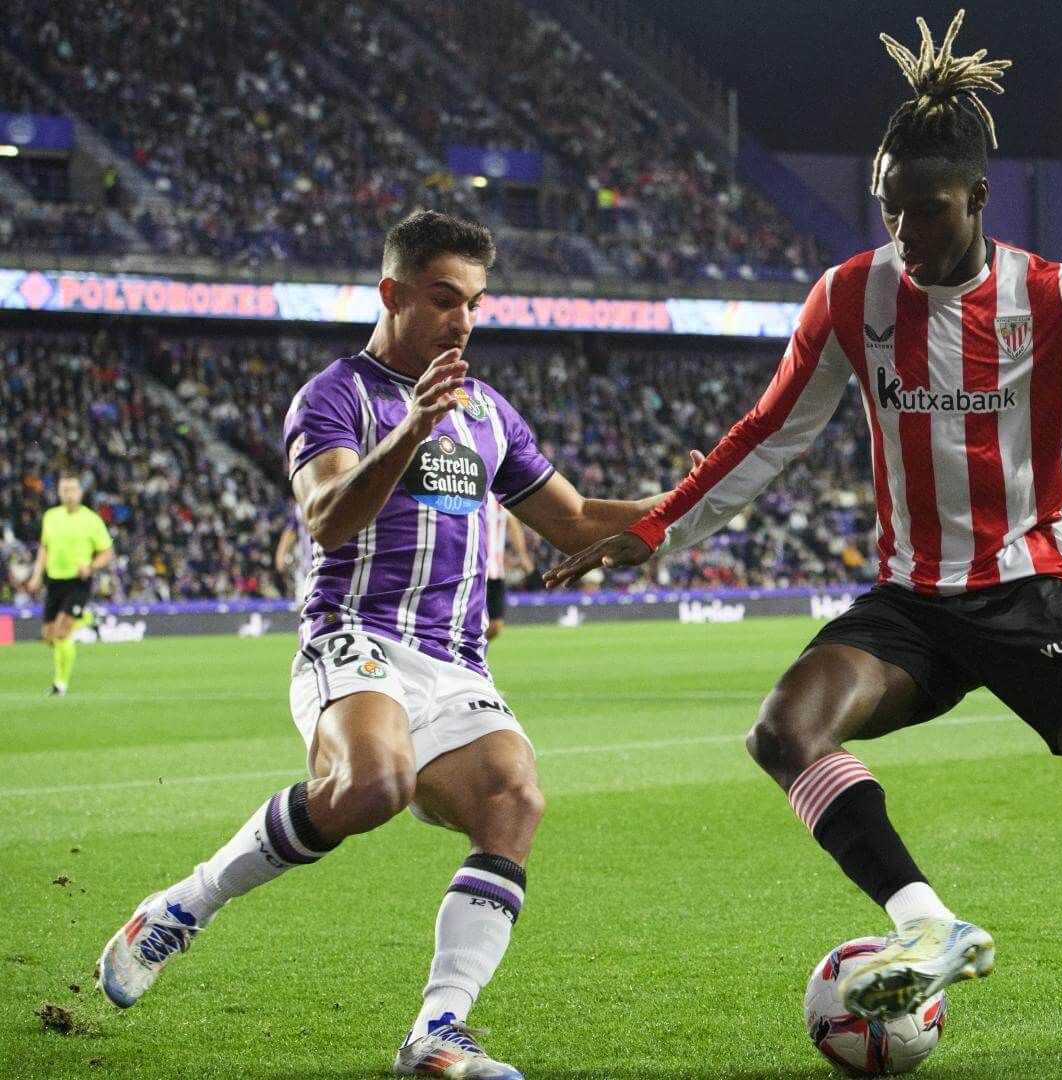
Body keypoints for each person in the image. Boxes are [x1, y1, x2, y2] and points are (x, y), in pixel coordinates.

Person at [547, 12, 1062, 1065]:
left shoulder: (1055, 297)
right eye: (889, 207)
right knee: (783, 731)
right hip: (912, 605)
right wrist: (657, 526)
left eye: (925, 210)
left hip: (1036, 592)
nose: (905, 231)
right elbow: (769, 432)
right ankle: (929, 924)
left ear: (978, 197)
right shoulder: (849, 296)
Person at [97, 210, 683, 1079]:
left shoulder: (489, 414)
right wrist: (411, 428)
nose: (463, 321)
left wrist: (689, 501)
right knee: (374, 784)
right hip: (352, 635)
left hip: (454, 660)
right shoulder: (335, 396)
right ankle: (184, 906)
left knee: (514, 800)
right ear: (393, 293)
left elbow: (572, 521)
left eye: (474, 303)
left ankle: (437, 1031)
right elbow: (326, 519)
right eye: (445, 299)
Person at [26, 473, 113, 696]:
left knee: (62, 633)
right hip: (54, 581)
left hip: (78, 582)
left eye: (72, 489)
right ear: (59, 492)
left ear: (80, 492)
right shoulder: (51, 517)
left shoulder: (91, 520)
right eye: (64, 490)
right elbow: (44, 548)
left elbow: (107, 552)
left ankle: (60, 684)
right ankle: (87, 619)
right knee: (49, 637)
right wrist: (36, 576)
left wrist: (91, 567)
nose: (69, 494)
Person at [482, 494, 531, 642]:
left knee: (495, 625)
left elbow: (513, 524)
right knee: (472, 622)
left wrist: (522, 555)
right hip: (475, 571)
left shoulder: (500, 495)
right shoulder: (474, 493)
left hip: (496, 571)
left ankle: (475, 649)